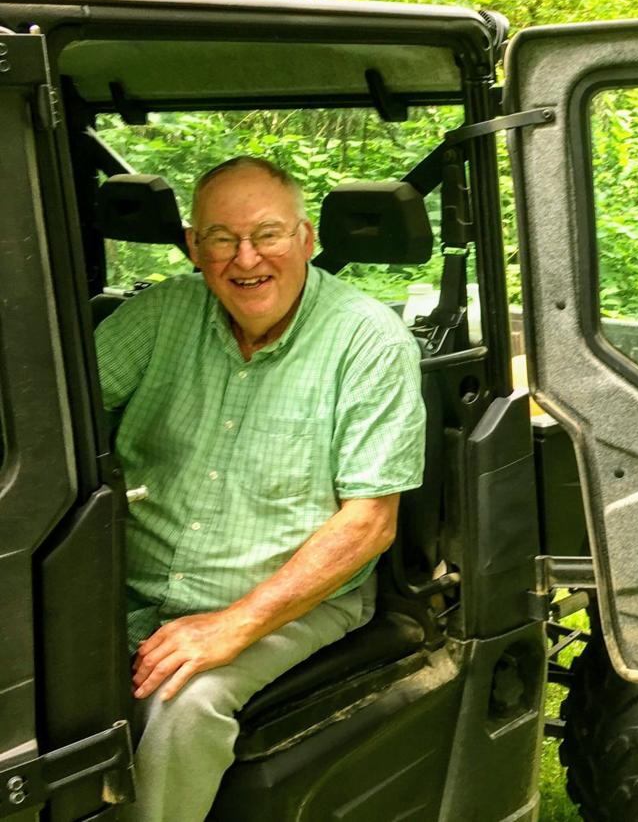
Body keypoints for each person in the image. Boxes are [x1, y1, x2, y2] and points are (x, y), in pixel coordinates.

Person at [95, 157, 426, 822]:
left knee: (181, 704)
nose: (246, 258)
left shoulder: (367, 340)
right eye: (222, 238)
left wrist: (232, 626)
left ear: (305, 239)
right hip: (130, 582)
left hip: (290, 598)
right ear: (195, 247)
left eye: (268, 234)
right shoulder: (158, 314)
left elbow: (369, 523)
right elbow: (46, 421)